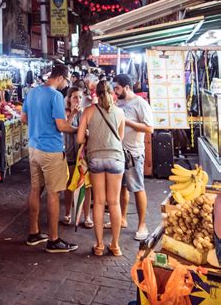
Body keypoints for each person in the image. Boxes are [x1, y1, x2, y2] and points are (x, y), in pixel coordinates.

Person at [21, 64, 79, 253]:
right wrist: (79, 130)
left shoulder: (32, 92)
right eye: (66, 80)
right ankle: (53, 240)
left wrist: (40, 124)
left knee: (35, 189)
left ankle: (33, 233)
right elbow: (61, 127)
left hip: (34, 148)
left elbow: (24, 119)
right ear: (60, 78)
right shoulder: (56, 96)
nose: (66, 85)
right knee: (54, 193)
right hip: (51, 150)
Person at [77, 80, 125, 256]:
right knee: (114, 202)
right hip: (116, 159)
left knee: (98, 201)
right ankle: (115, 245)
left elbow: (79, 139)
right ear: (112, 93)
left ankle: (99, 246)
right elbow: (120, 138)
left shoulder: (88, 111)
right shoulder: (120, 112)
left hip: (96, 158)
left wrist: (92, 135)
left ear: (95, 93)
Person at [113, 74, 154, 241]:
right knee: (121, 188)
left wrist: (127, 122)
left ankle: (142, 225)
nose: (115, 91)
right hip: (118, 152)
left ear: (126, 87)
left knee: (137, 188)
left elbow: (149, 128)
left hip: (134, 153)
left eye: (117, 88)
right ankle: (122, 218)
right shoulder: (119, 103)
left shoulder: (140, 104)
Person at [62, 87, 93, 228]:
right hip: (70, 152)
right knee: (69, 185)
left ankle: (86, 216)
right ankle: (68, 213)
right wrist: (73, 114)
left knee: (86, 185)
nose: (78, 100)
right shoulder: (65, 112)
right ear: (69, 99)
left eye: (80, 97)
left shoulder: (86, 112)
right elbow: (64, 127)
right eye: (75, 97)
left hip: (84, 154)